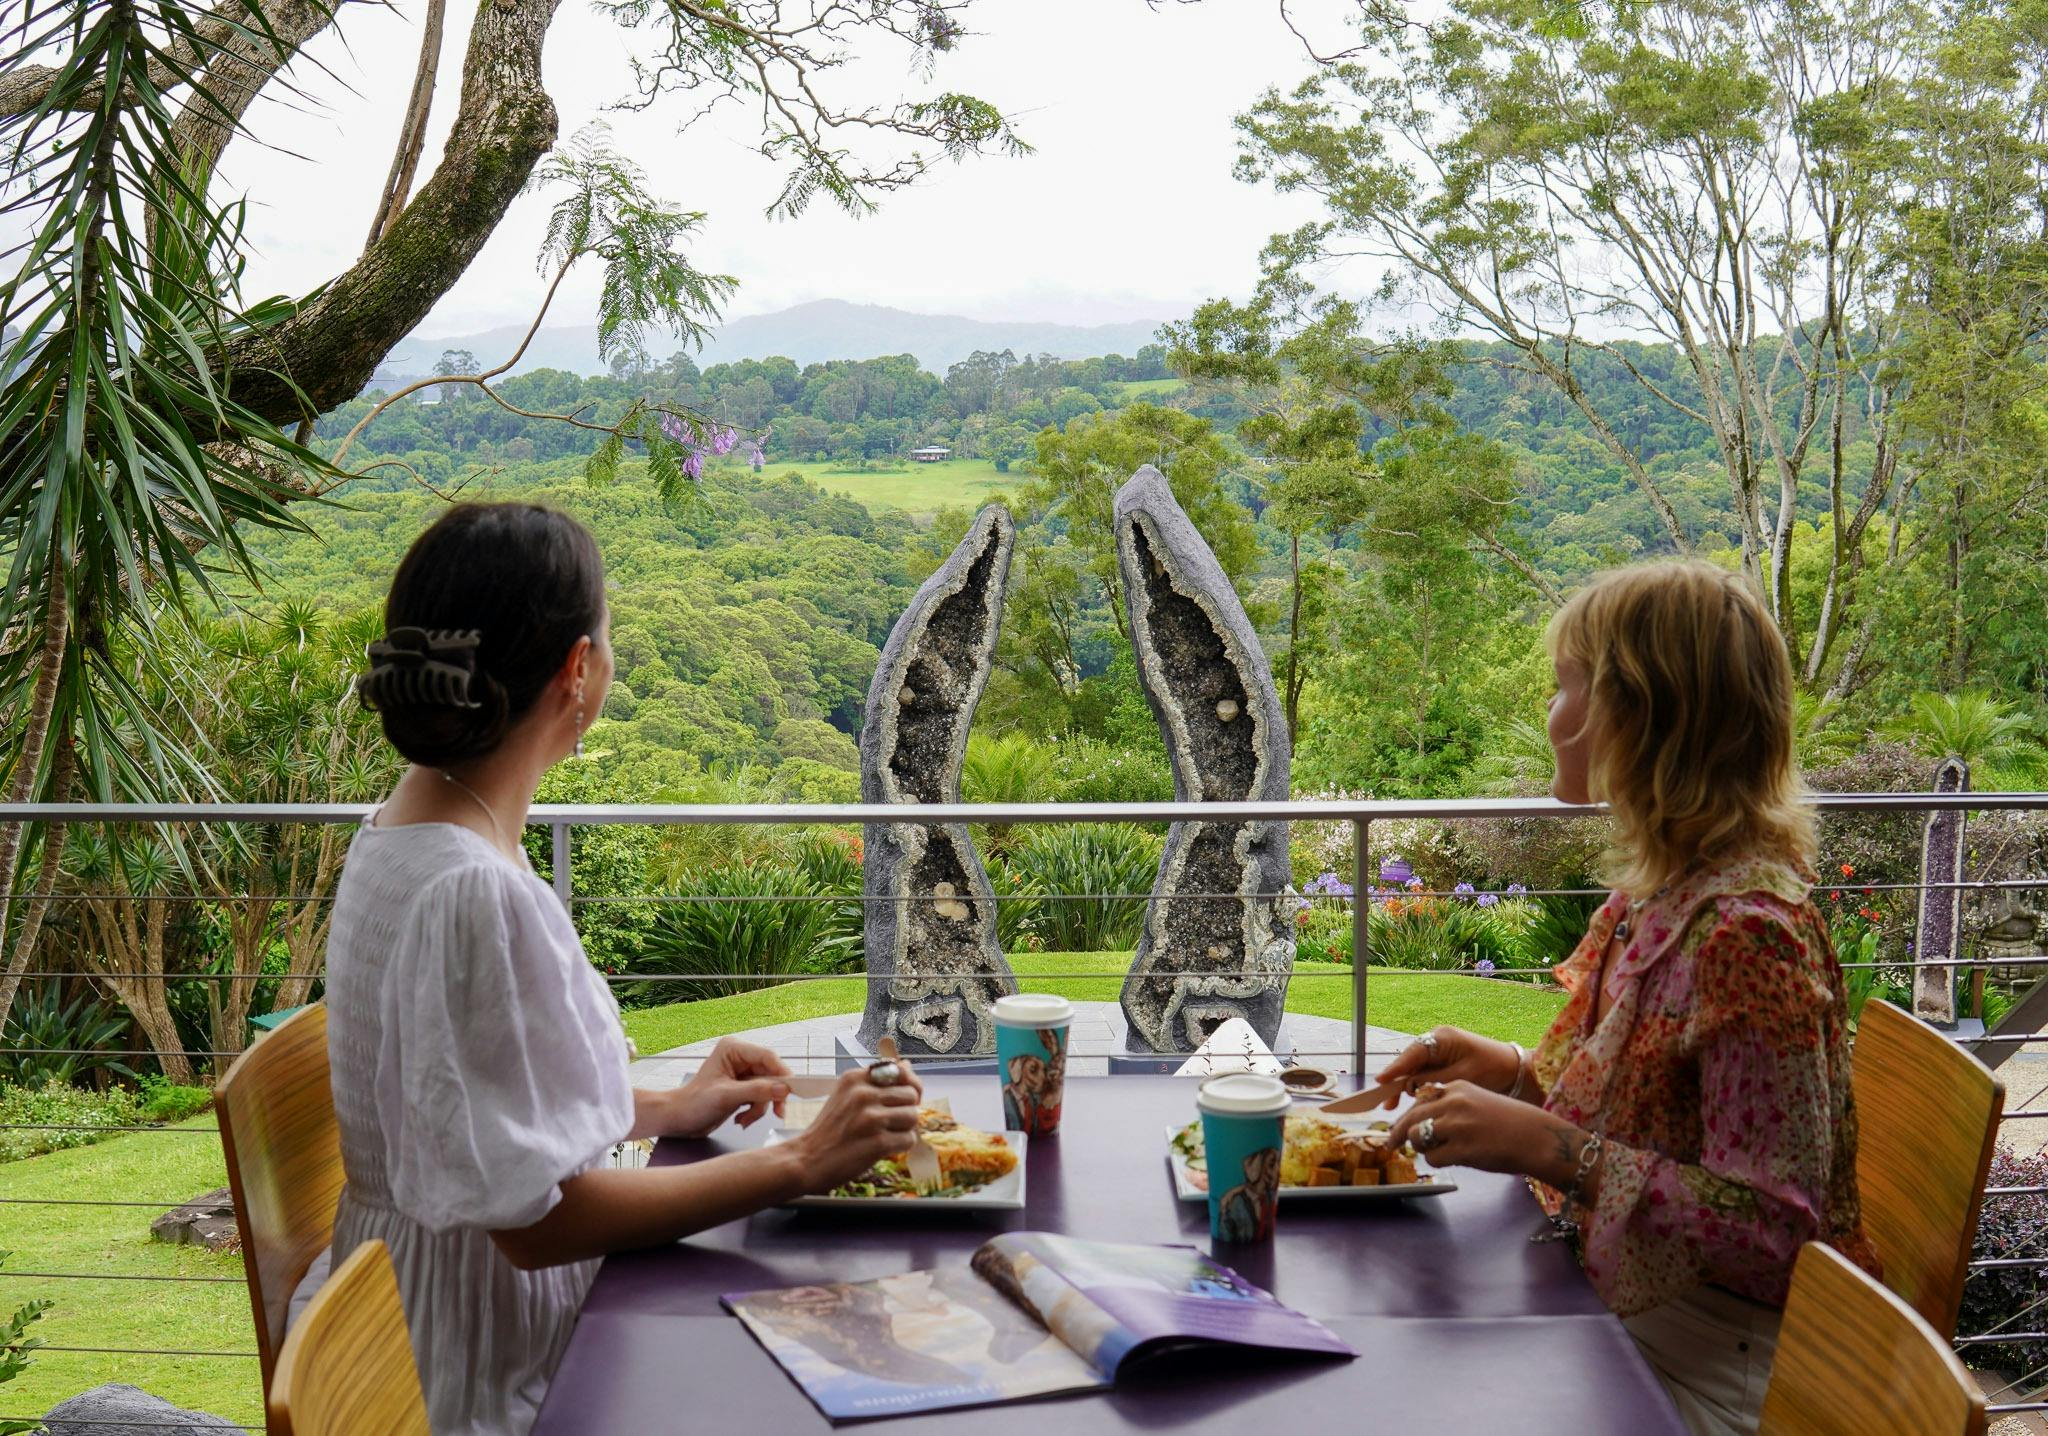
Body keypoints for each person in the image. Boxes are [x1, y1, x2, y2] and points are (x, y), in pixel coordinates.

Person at [299, 502, 924, 1436]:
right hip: (488, 1367)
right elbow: (535, 1224)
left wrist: (670, 1107)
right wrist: (801, 1160)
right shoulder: (475, 892)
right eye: (608, 636)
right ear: (577, 671)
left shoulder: (401, 834)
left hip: (409, 1305)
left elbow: (464, 1103)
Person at [1374, 560, 1878, 1436]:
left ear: (1642, 715)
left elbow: (1776, 1227)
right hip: (1633, 1308)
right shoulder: (1664, 892)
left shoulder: (1745, 932)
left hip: (1724, 1364)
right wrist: (1514, 1073)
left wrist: (1556, 1150)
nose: (1552, 715)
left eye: (1566, 686)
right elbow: (1649, 1112)